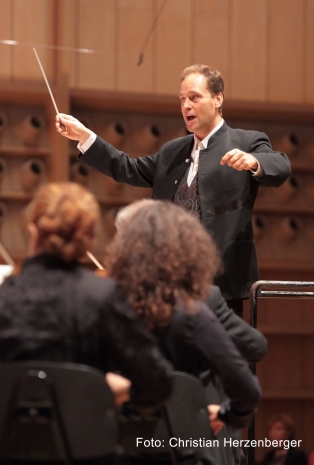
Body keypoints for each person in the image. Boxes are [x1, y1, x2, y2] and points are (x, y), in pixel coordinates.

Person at [55, 64, 291, 317]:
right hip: (166, 281)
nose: (186, 106)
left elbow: (281, 165)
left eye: (194, 97)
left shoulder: (246, 141)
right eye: (182, 100)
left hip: (222, 282)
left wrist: (255, 162)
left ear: (218, 99)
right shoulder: (172, 151)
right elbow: (127, 168)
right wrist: (85, 137)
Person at [105, 200, 262, 464]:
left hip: (120, 448)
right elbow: (247, 390)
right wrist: (226, 416)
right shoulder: (192, 313)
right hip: (182, 447)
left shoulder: (103, 306)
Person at [0, 183, 173, 422]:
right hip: (86, 449)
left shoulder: (4, 297)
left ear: (33, 234)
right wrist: (108, 392)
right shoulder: (102, 296)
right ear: (89, 239)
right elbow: (158, 383)